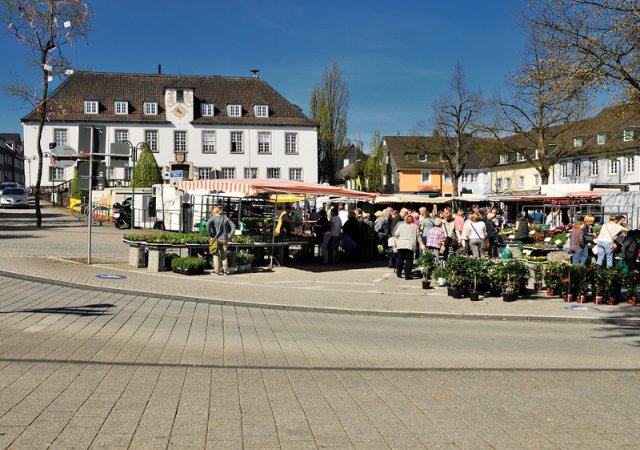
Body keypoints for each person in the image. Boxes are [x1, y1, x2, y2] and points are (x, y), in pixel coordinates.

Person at [206, 206, 237, 275]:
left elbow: (207, 224)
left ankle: (216, 271)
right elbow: (233, 226)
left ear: (213, 212)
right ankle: (225, 271)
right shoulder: (226, 218)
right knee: (224, 256)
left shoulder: (212, 218)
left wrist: (210, 233)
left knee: (215, 255)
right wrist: (231, 234)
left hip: (215, 239)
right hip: (224, 239)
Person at [393, 215, 426, 280]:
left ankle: (399, 273)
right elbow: (418, 237)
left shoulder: (401, 226)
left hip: (401, 244)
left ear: (405, 220)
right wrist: (421, 244)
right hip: (410, 245)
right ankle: (407, 275)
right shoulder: (415, 226)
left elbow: (396, 234)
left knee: (400, 259)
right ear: (413, 220)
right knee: (409, 260)